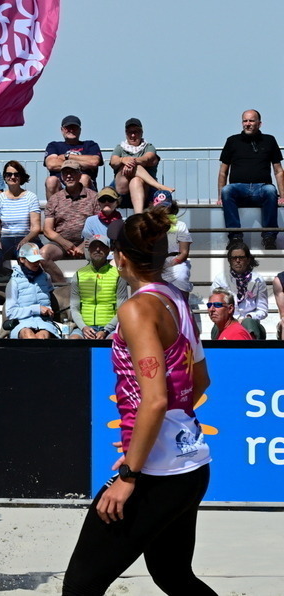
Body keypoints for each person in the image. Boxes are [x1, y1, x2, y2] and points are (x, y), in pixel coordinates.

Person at [63, 211, 213, 596]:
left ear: (120, 257)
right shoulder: (178, 300)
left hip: (157, 473)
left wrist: (131, 471)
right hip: (191, 462)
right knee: (173, 575)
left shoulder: (135, 310)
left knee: (80, 587)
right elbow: (199, 382)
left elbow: (156, 400)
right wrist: (145, 442)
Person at [218, 109, 284, 250]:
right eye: (245, 121)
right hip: (238, 188)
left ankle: (269, 237)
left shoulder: (270, 140)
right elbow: (223, 172)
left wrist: (283, 196)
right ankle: (235, 237)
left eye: (251, 121)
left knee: (270, 190)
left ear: (259, 123)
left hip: (262, 187)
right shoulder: (232, 141)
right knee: (227, 190)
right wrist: (220, 196)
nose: (247, 124)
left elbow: (278, 171)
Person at [0, 160, 43, 301]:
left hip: (26, 237)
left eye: (16, 174)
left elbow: (36, 227)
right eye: (9, 174)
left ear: (21, 176)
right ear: (4, 177)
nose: (12, 177)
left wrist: (26, 240)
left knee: (27, 253)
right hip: (6, 237)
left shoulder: (31, 197)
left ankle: (28, 293)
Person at [40, 160, 99, 281]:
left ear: (79, 175)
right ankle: (63, 287)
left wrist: (83, 245)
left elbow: (98, 226)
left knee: (101, 252)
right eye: (65, 173)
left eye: (72, 172)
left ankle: (95, 286)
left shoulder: (94, 197)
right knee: (42, 255)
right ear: (61, 177)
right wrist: (65, 243)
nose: (68, 176)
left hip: (89, 242)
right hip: (61, 244)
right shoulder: (55, 199)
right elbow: (47, 229)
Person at [67, 235, 128, 340]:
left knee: (113, 339)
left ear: (108, 250)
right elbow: (74, 308)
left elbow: (121, 309)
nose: (98, 249)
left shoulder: (118, 275)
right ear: (89, 250)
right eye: (94, 246)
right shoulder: (78, 274)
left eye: (101, 246)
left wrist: (106, 330)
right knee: (73, 340)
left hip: (110, 328)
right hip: (85, 327)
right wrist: (84, 327)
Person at [109, 118, 174, 212]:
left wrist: (131, 161)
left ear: (141, 132)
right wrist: (123, 159)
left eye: (136, 132)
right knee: (125, 167)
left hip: (145, 190)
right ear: (125, 133)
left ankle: (138, 215)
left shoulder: (149, 147)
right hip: (121, 188)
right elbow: (113, 161)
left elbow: (147, 158)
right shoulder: (119, 148)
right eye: (129, 132)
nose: (133, 135)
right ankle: (158, 186)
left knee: (136, 179)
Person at [210, 241, 267, 340]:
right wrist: (233, 320)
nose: (237, 260)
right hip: (229, 320)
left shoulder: (258, 280)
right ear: (229, 260)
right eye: (234, 258)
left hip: (251, 324)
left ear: (248, 260)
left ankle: (251, 352)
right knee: (217, 325)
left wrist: (249, 317)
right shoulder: (220, 279)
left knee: (248, 323)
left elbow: (263, 310)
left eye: (241, 257)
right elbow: (216, 304)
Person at [4, 243, 61, 339]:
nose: (36, 263)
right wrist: (37, 309)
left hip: (45, 323)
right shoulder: (13, 282)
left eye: (38, 260)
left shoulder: (46, 277)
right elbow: (10, 313)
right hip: (22, 324)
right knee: (28, 335)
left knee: (43, 336)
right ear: (22, 259)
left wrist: (48, 311)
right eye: (32, 260)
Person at [43, 115, 104, 199]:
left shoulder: (90, 145)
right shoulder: (54, 145)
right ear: (62, 130)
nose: (71, 130)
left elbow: (94, 162)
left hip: (86, 187)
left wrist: (66, 156)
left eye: (74, 127)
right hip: (61, 186)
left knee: (83, 178)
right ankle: (53, 210)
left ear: (80, 130)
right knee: (51, 180)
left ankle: (83, 210)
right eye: (68, 128)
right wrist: (82, 163)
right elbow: (51, 164)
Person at [151, 192, 193, 294]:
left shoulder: (180, 225)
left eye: (165, 207)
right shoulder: (148, 225)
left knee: (181, 275)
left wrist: (170, 264)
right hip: (154, 264)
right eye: (160, 207)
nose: (163, 210)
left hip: (175, 263)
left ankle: (184, 306)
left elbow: (184, 253)